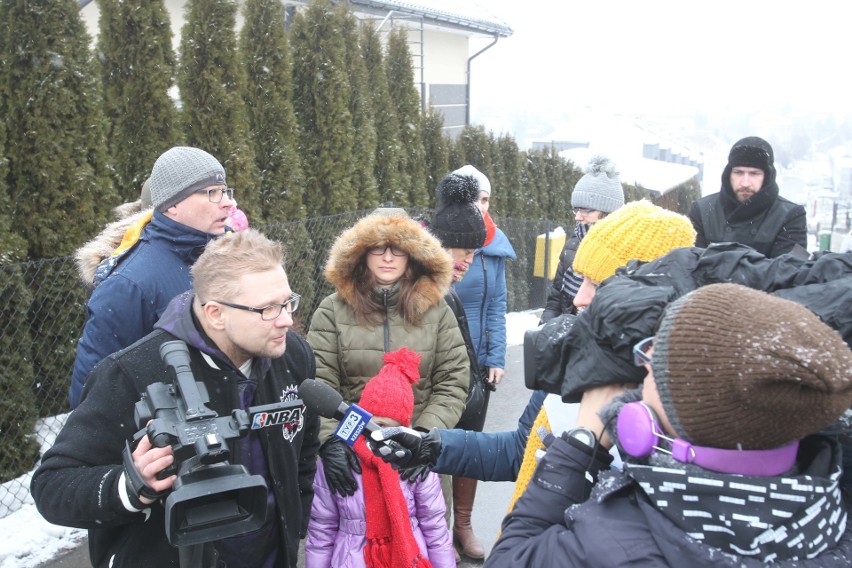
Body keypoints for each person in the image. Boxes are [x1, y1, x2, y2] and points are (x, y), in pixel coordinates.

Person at [485, 283, 852, 567]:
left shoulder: (612, 544)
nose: (644, 364)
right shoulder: (831, 515)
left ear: (696, 415)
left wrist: (582, 445)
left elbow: (510, 558)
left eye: (659, 359)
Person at [31, 229, 320, 568]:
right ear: (215, 313)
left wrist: (295, 520)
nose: (286, 320)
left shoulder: (292, 355)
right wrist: (129, 485)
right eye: (268, 309)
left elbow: (304, 445)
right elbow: (52, 485)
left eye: (288, 302)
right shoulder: (133, 373)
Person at [368, 201, 697, 495]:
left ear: (643, 300)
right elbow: (519, 451)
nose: (578, 298)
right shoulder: (572, 363)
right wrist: (431, 447)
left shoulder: (682, 412)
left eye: (596, 285)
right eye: (579, 280)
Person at [305, 208, 469, 498]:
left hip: (418, 459)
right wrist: (332, 441)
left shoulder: (438, 310)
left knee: (425, 538)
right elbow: (320, 382)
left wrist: (422, 436)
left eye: (399, 248)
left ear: (414, 254)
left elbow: (452, 382)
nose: (388, 257)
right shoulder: (332, 310)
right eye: (378, 247)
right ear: (362, 253)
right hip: (354, 457)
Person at [69, 146, 236, 408]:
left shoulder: (230, 254)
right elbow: (94, 394)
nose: (228, 202)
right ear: (172, 205)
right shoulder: (128, 283)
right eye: (212, 193)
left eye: (225, 191)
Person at [306, 347, 455, 568]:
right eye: (372, 423)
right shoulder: (340, 462)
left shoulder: (413, 464)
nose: (377, 434)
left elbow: (435, 527)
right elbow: (321, 529)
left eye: (387, 428)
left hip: (407, 556)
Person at [428, 166, 495, 560]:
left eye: (474, 252)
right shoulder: (431, 293)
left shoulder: (448, 290)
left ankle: (454, 532)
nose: (469, 260)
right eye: (465, 250)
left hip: (464, 403)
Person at [688, 136, 807, 258]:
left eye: (754, 174)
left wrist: (718, 264)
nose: (745, 183)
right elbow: (690, 266)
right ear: (728, 174)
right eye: (738, 173)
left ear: (767, 176)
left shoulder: (790, 215)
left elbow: (789, 271)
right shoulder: (702, 211)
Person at [540, 155, 624, 323]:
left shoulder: (625, 253)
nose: (578, 217)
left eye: (586, 210)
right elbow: (556, 298)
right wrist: (544, 330)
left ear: (608, 213)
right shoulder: (573, 244)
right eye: (576, 209)